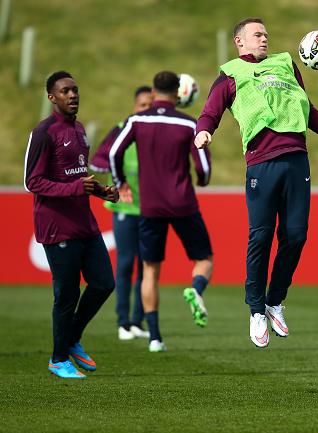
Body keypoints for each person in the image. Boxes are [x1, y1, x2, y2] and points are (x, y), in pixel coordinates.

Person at [194, 18, 318, 348]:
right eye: (257, 35)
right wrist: (204, 131)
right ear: (239, 42)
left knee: (297, 235)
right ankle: (256, 309)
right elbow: (209, 113)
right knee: (260, 237)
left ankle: (274, 301)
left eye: (266, 35)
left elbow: (307, 110)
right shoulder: (230, 74)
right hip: (261, 163)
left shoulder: (287, 65)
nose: (264, 39)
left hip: (297, 159)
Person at [24, 71, 119, 379]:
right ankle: (57, 358)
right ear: (52, 97)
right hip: (56, 225)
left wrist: (102, 190)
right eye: (65, 91)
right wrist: (76, 189)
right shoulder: (44, 132)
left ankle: (70, 338)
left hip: (84, 222)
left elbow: (76, 176)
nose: (73, 95)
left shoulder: (79, 129)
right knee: (66, 294)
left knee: (104, 283)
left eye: (75, 90)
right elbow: (32, 182)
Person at [109, 71, 213, 353]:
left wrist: (121, 183)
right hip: (183, 204)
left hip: (151, 206)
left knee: (150, 270)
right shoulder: (189, 124)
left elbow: (113, 153)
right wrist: (202, 181)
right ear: (179, 93)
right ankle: (196, 289)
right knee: (203, 259)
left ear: (153, 93)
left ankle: (155, 337)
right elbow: (203, 167)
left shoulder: (137, 120)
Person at [90, 86, 153, 341]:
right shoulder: (122, 128)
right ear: (134, 107)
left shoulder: (157, 131)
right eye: (142, 105)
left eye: (150, 105)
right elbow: (98, 160)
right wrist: (118, 179)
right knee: (126, 264)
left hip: (150, 209)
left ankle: (138, 321)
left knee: (147, 267)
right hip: (126, 208)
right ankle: (123, 322)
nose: (146, 110)